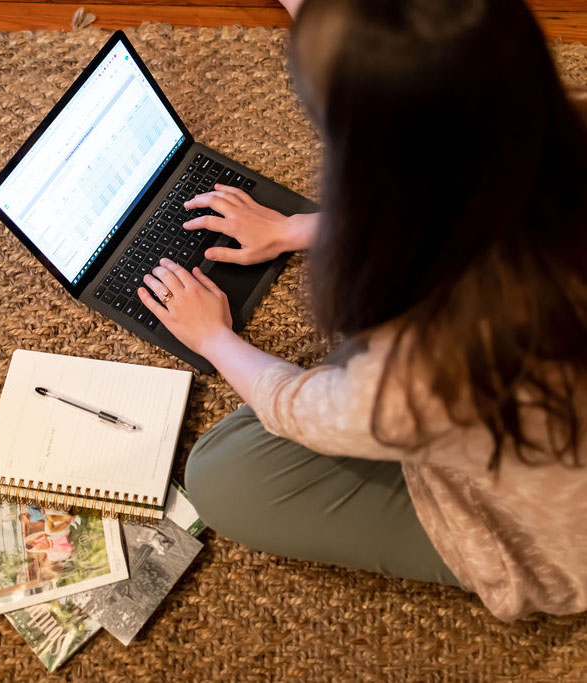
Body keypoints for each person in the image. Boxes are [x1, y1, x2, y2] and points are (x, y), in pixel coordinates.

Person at [137, 0, 587, 622]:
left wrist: (212, 337)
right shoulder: (556, 130)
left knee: (220, 476)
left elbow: (302, 412)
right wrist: (295, 229)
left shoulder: (435, 363)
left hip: (560, 547)